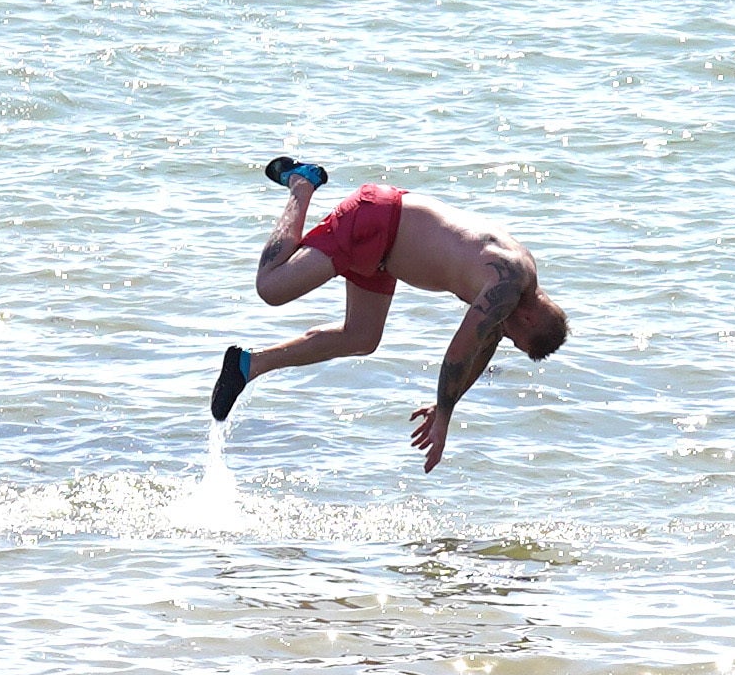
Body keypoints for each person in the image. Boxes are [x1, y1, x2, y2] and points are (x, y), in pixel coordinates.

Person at [210, 163, 569, 472]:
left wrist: (448, 404)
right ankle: (302, 184)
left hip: (386, 252)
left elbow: (484, 343)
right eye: (514, 338)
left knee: (362, 338)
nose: (505, 337)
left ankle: (247, 366)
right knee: (271, 287)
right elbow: (459, 352)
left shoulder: (517, 290)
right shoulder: (506, 283)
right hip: (377, 220)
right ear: (530, 320)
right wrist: (443, 416)